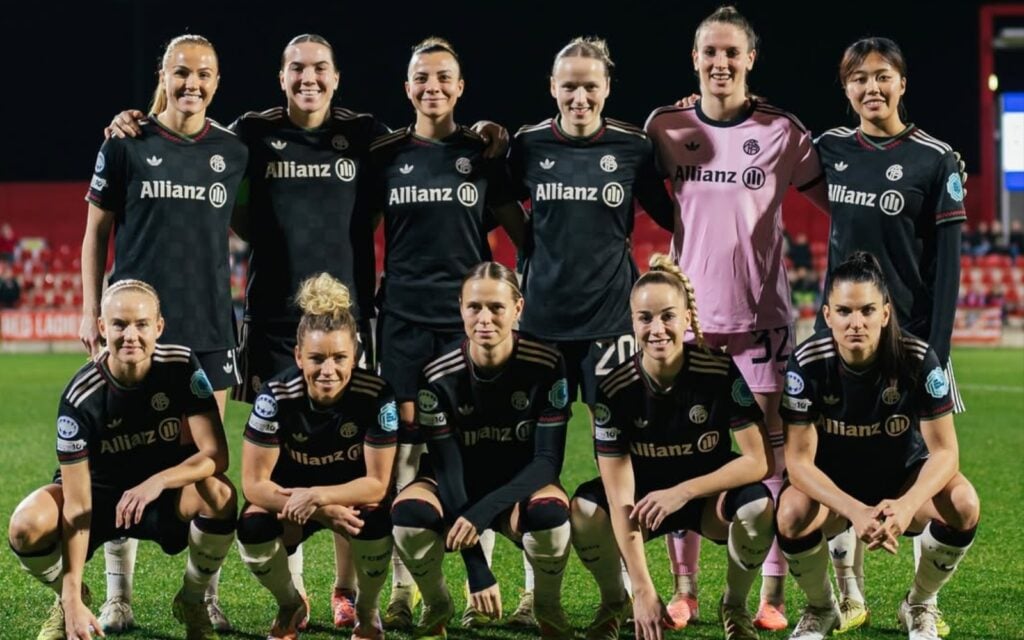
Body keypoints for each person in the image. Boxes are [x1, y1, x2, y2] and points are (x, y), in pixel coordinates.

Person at [103, 33, 510, 630]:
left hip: (347, 323)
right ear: (282, 76)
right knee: (280, 456)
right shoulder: (251, 132)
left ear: (337, 78)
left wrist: (484, 133)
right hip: (274, 320)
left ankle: (349, 591)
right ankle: (286, 596)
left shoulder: (365, 135)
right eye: (297, 68)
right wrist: (136, 115)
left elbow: (425, 147)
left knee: (353, 451)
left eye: (320, 68)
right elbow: (216, 181)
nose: (308, 78)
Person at [644, 6, 828, 630]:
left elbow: (837, 198)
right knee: (683, 451)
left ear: (750, 58)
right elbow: (635, 189)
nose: (720, 63)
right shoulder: (666, 126)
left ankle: (771, 593)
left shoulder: (783, 131)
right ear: (694, 58)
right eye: (710, 52)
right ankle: (686, 589)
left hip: (762, 320)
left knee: (771, 456)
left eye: (731, 52)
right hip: (688, 323)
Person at [502, 34, 675, 627]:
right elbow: (500, 199)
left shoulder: (633, 146)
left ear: (606, 88)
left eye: (590, 86)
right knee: (535, 460)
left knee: (622, 456)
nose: (579, 96)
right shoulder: (528, 144)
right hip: (541, 328)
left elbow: (674, 212)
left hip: (610, 329)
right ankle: (534, 590)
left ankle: (629, 585)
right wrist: (530, 250)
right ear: (553, 87)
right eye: (569, 86)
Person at [81, 34, 246, 634]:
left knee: (208, 470)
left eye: (203, 74)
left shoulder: (234, 150)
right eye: (181, 72)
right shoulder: (125, 143)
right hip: (133, 331)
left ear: (217, 81)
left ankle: (200, 596)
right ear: (163, 76)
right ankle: (118, 597)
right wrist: (90, 311)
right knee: (118, 461)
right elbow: (95, 233)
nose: (191, 83)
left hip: (207, 329)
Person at [813, 37, 969, 634]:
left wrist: (937, 354)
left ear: (902, 83)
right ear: (845, 88)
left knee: (929, 475)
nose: (871, 87)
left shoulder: (936, 159)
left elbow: (948, 268)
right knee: (834, 461)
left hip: (910, 348)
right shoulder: (829, 149)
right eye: (858, 78)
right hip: (841, 340)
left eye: (882, 76)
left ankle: (920, 599)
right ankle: (847, 589)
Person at [367, 36, 525, 628]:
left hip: (470, 327)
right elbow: (356, 230)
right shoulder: (385, 154)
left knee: (478, 445)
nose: (431, 87)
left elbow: (523, 234)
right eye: (421, 78)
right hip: (404, 325)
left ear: (460, 87)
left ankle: (490, 581)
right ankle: (404, 589)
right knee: (407, 452)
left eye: (442, 78)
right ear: (407, 88)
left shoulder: (481, 153)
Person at [8, 279, 237, 640]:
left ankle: (193, 599)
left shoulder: (181, 366)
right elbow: (78, 505)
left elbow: (216, 455)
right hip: (98, 499)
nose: (131, 335)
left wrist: (158, 481)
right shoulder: (80, 397)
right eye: (119, 325)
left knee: (220, 494)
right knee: (25, 526)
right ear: (102, 327)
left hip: (161, 497)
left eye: (141, 324)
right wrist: (70, 594)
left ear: (158, 327)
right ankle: (69, 602)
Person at [777, 252, 980, 640]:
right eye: (845, 311)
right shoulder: (807, 363)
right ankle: (822, 608)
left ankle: (918, 603)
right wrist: (854, 510)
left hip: (902, 482)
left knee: (964, 504)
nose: (856, 323)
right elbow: (798, 462)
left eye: (867, 310)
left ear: (885, 314)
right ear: (827, 316)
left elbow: (946, 452)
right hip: (836, 490)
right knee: (790, 513)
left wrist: (906, 505)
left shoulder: (917, 358)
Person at [572, 254, 774, 640]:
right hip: (644, 506)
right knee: (584, 509)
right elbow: (620, 497)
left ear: (686, 318)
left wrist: (683, 491)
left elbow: (759, 460)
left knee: (758, 506)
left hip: (705, 502)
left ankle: (734, 605)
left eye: (668, 316)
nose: (657, 329)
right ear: (632, 322)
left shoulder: (717, 370)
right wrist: (642, 589)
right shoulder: (614, 388)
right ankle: (616, 600)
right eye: (645, 318)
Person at [390, 261, 572, 639]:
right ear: (460, 308)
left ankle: (546, 603)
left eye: (496, 307)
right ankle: (437, 601)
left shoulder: (547, 364)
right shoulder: (437, 375)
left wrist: (482, 514)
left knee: (551, 516)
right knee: (408, 516)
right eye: (474, 307)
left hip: (520, 482)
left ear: (518, 308)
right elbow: (447, 467)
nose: (484, 319)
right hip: (455, 484)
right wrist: (477, 569)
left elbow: (547, 461)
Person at [236, 273, 397, 640]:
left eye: (340, 358)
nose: (328, 370)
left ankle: (366, 611)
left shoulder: (377, 395)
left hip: (349, 499)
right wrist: (319, 508)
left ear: (355, 356)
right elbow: (253, 485)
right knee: (253, 527)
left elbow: (377, 484)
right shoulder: (274, 396)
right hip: (291, 502)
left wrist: (320, 497)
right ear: (298, 356)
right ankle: (289, 603)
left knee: (376, 520)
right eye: (316, 358)